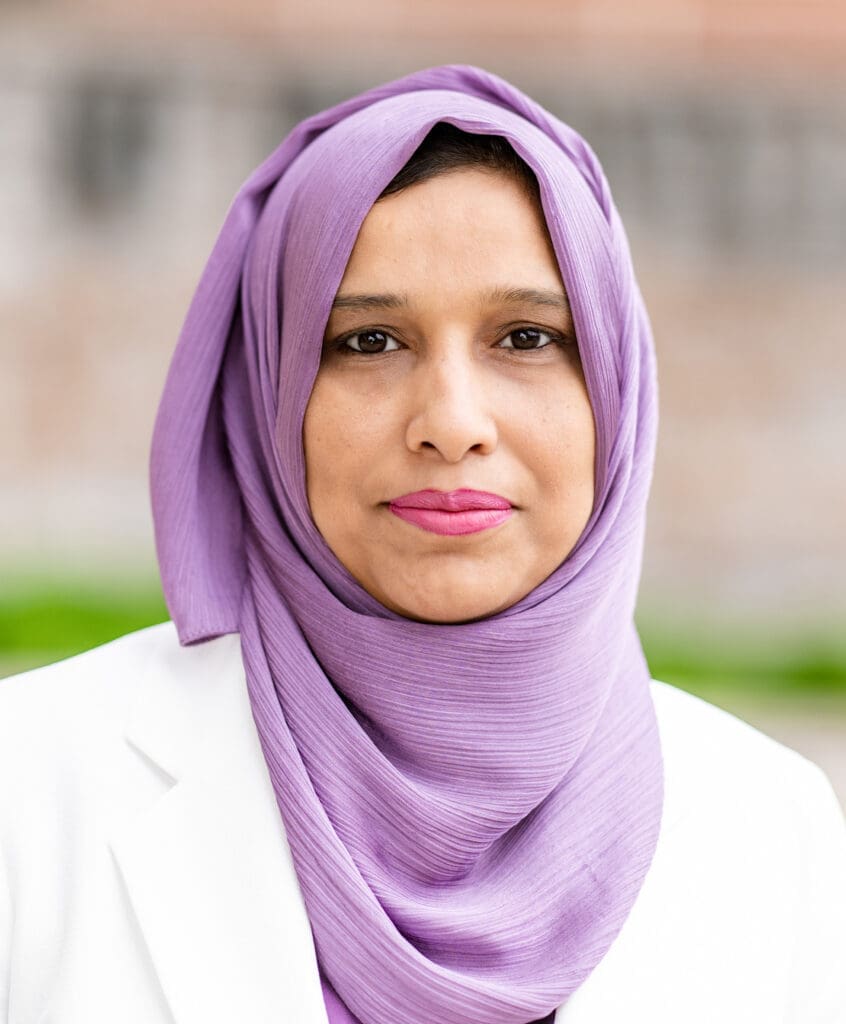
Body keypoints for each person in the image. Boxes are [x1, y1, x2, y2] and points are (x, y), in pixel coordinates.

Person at [1, 64, 844, 1024]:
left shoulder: (775, 829)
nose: (451, 422)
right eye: (369, 343)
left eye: (526, 338)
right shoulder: (27, 789)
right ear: (273, 398)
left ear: (616, 385)